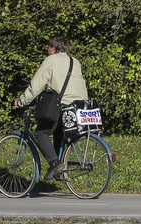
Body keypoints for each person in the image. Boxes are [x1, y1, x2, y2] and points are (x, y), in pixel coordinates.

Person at [13, 36, 89, 180]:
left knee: (40, 133)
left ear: (52, 49)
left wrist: (21, 101)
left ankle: (55, 163)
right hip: (78, 107)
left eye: (48, 48)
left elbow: (36, 84)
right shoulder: (75, 61)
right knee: (58, 132)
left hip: (63, 105)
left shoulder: (51, 60)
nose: (47, 50)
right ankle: (59, 169)